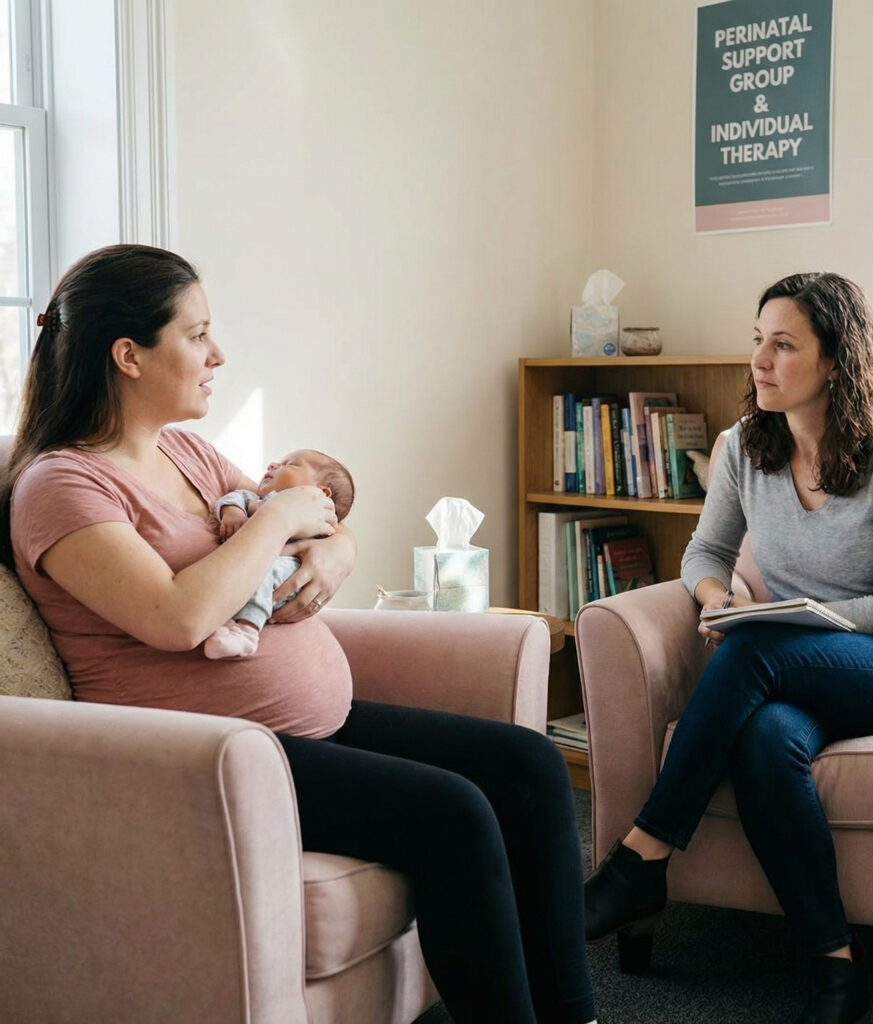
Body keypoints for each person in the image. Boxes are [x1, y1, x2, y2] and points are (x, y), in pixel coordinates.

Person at [0, 244, 596, 1024]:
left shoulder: (183, 450)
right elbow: (177, 615)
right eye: (198, 334)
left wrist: (337, 546)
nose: (219, 354)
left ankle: (573, 1013)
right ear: (128, 356)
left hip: (303, 725)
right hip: (210, 756)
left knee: (527, 765)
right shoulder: (62, 486)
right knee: (454, 814)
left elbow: (298, 527)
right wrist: (283, 516)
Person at [582, 272, 873, 1024]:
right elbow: (704, 554)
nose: (760, 360)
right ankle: (836, 970)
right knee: (764, 739)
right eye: (757, 340)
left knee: (756, 648)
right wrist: (718, 601)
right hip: (814, 672)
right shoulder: (743, 450)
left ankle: (642, 859)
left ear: (835, 362)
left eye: (784, 344)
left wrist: (774, 622)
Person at [204, 449, 355, 658]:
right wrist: (233, 512)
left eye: (291, 464)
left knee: (267, 573)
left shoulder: (319, 513)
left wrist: (341, 547)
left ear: (322, 493)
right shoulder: (257, 497)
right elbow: (234, 498)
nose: (273, 465)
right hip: (257, 567)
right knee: (256, 574)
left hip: (289, 570)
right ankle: (233, 623)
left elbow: (331, 535)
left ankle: (246, 630)